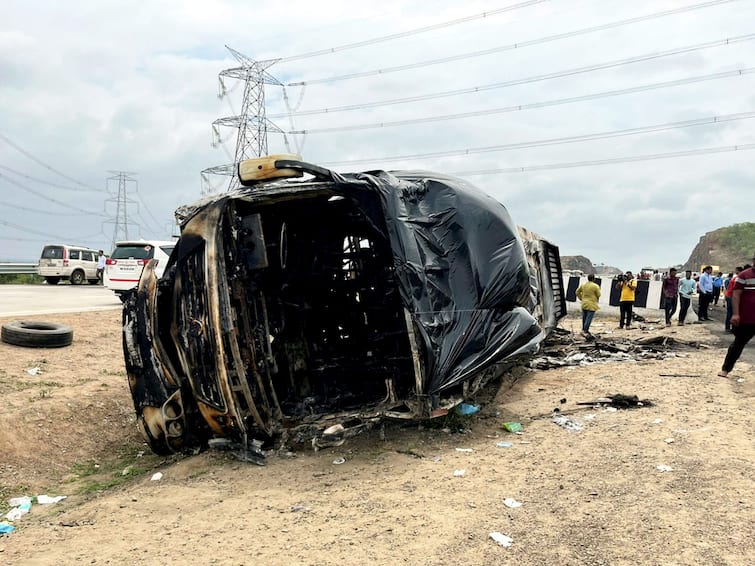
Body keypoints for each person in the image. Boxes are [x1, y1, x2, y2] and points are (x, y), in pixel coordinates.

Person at [718, 256, 755, 378]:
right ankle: (726, 369)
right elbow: (736, 295)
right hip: (746, 318)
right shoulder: (744, 276)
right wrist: (735, 314)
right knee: (738, 344)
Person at [724, 267, 743, 332]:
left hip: (729, 295)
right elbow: (736, 289)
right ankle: (730, 327)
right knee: (732, 312)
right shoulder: (738, 278)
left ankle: (729, 327)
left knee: (730, 312)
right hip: (731, 296)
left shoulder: (735, 278)